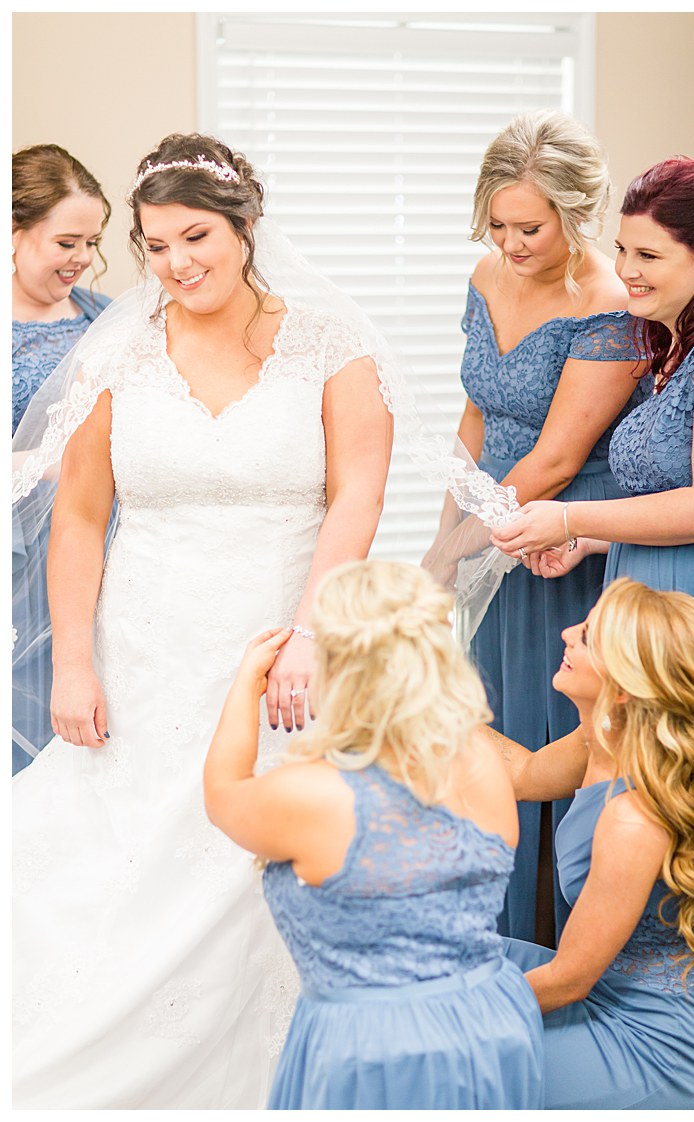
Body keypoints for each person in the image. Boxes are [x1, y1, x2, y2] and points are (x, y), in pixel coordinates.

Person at [11, 133, 498, 1108]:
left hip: (283, 646)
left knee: (255, 852)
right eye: (153, 246)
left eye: (195, 236)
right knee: (112, 861)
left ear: (244, 228)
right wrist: (72, 661)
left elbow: (356, 498)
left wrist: (314, 635)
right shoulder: (122, 354)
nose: (177, 263)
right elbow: (79, 514)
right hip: (139, 646)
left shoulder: (331, 345)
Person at [204, 561, 543, 1109]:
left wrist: (245, 684)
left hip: (375, 1047)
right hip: (493, 1018)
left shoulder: (319, 795)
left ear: (338, 668)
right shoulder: (480, 759)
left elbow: (224, 795)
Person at [423, 110, 642, 945]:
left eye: (530, 228)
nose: (510, 243)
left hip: (561, 539)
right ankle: (495, 926)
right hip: (488, 514)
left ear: (577, 214)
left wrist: (460, 550)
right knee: (492, 726)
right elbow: (476, 419)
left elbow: (553, 461)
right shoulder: (485, 277)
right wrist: (446, 539)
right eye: (498, 223)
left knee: (558, 738)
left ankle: (556, 940)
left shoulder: (609, 306)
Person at [490, 158, 694, 758]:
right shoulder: (667, 337)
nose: (626, 270)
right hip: (641, 582)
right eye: (623, 250)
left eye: (649, 256)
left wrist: (572, 519)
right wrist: (596, 545)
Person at [482, 578, 694, 1109]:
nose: (565, 633)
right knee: (441, 962)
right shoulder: (599, 740)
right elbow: (519, 773)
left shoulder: (633, 819)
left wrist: (444, 1015)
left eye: (587, 637)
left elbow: (569, 978)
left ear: (622, 687)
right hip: (602, 989)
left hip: (656, 1045)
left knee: (441, 1056)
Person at [12, 144, 112, 773]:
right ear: (14, 231)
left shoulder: (105, 319)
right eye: (66, 242)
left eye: (92, 243)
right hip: (19, 568)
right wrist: (58, 465)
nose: (82, 259)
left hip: (109, 553)